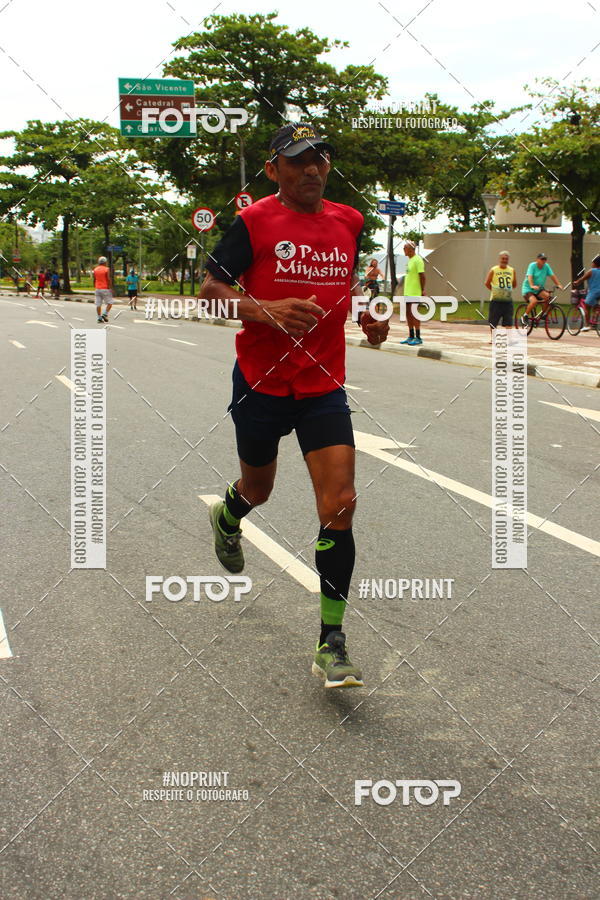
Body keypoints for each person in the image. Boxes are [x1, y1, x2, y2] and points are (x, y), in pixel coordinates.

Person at [200, 122, 389, 689]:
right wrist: (264, 310)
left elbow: (346, 289)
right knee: (259, 488)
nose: (313, 168)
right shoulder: (254, 222)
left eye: (321, 158)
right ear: (273, 170)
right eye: (300, 159)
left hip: (323, 386)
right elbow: (209, 294)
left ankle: (332, 640)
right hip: (261, 382)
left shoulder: (349, 222)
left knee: (340, 504)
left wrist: (368, 318)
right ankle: (228, 514)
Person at [520, 252, 563, 325]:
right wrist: (532, 285)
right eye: (542, 259)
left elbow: (552, 276)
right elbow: (529, 276)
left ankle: (543, 314)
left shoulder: (546, 266)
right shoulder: (532, 265)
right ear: (537, 260)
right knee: (534, 301)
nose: (543, 261)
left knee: (548, 297)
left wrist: (558, 284)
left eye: (545, 259)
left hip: (539, 289)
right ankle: (525, 315)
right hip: (528, 289)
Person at [485, 250, 516, 342]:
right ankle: (493, 338)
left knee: (509, 319)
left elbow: (514, 284)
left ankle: (509, 339)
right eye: (503, 258)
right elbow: (487, 283)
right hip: (496, 300)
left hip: (507, 300)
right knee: (493, 320)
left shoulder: (512, 270)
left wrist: (506, 291)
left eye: (506, 259)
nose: (504, 260)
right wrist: (495, 291)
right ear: (499, 259)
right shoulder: (494, 270)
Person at [400, 240, 426, 345]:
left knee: (415, 314)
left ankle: (418, 337)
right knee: (408, 313)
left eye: (405, 248)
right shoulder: (409, 260)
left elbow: (422, 276)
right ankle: (411, 336)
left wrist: (422, 289)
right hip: (407, 292)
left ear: (410, 249)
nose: (404, 250)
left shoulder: (417, 260)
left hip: (415, 292)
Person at [572, 255, 600, 331]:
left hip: (594, 292)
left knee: (587, 306)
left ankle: (587, 325)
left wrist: (576, 282)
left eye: (592, 263)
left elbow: (582, 279)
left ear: (595, 263)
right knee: (595, 305)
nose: (592, 264)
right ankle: (596, 316)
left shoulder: (591, 271)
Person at [93, 256, 112, 323]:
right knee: (110, 303)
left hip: (97, 288)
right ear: (105, 262)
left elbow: (94, 279)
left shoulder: (95, 269)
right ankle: (105, 314)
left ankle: (99, 318)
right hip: (105, 288)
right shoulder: (107, 269)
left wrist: (95, 286)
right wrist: (110, 287)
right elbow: (108, 279)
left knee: (98, 304)